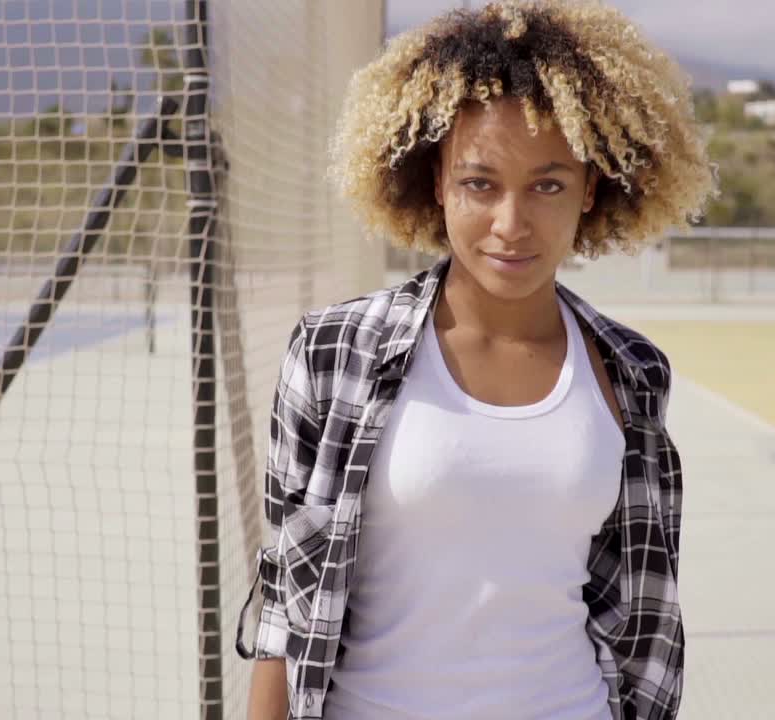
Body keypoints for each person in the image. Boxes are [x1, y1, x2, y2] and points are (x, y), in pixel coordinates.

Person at [236, 1, 716, 718]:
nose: (511, 224)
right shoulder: (335, 352)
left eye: (548, 185)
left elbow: (641, 612)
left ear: (591, 188)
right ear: (435, 182)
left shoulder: (632, 372)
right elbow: (284, 601)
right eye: (479, 183)